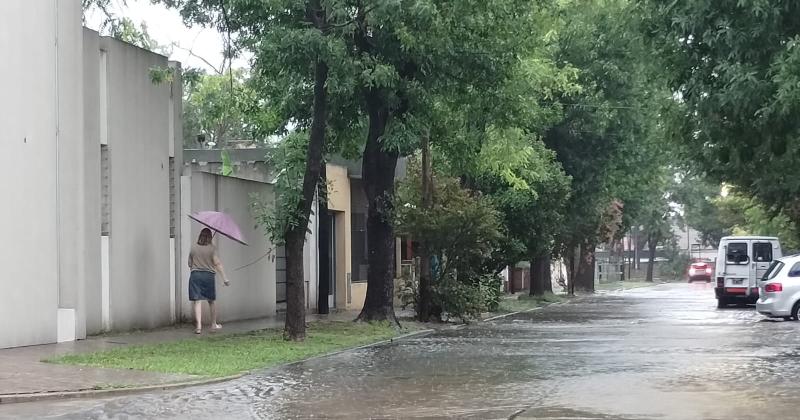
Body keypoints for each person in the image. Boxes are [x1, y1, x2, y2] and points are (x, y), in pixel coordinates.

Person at [188, 228, 230, 334]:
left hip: (195, 275)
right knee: (211, 301)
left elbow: (189, 263)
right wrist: (225, 278)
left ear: (200, 236)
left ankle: (198, 327)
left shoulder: (193, 248)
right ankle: (213, 324)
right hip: (208, 276)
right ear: (210, 237)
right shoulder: (212, 249)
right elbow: (217, 263)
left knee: (197, 301)